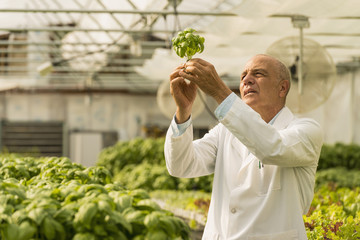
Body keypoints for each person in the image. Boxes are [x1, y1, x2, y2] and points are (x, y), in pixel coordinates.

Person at [164, 54, 323, 240]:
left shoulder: (306, 131)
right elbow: (181, 165)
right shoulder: (225, 132)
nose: (247, 80)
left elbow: (271, 148)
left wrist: (219, 92)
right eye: (243, 76)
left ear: (282, 88)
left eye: (258, 74)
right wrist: (183, 111)